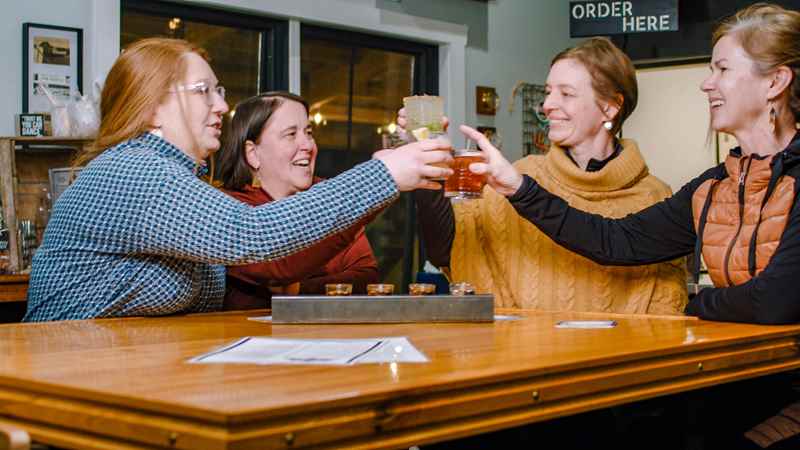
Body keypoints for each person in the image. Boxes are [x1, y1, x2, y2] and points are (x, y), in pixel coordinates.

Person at [466, 4, 800, 447]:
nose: (707, 83)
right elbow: (615, 240)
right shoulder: (714, 186)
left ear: (775, 82)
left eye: (721, 69)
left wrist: (699, 303)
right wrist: (516, 187)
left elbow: (777, 300)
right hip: (739, 389)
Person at [24, 38, 452, 322]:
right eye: (203, 91)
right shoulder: (133, 170)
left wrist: (391, 166)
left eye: (220, 91)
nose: (222, 106)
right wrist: (383, 174)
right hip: (66, 371)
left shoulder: (175, 175)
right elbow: (251, 234)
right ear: (152, 108)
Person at [410, 37, 686, 314]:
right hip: (525, 355)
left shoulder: (654, 196)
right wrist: (430, 161)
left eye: (566, 93)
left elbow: (666, 302)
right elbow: (448, 250)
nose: (547, 105)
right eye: (548, 92)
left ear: (610, 106)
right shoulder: (516, 177)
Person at [216, 92, 379, 309]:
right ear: (253, 153)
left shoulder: (327, 195)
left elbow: (367, 277)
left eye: (309, 133)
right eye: (291, 134)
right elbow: (275, 269)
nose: (308, 146)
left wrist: (299, 289)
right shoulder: (231, 208)